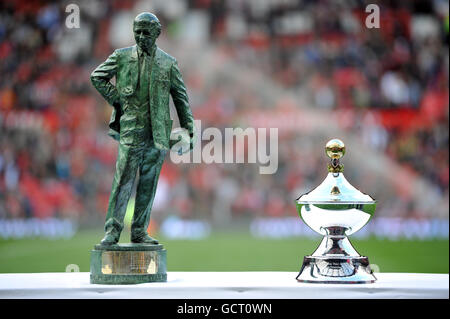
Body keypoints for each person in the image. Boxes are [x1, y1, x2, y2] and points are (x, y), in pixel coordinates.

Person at [91, 12, 195, 245]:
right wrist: (117, 99)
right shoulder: (121, 56)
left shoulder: (168, 63)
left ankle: (139, 231)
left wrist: (189, 130)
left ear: (157, 33)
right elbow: (97, 76)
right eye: (137, 31)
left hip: (157, 134)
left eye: (146, 32)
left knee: (148, 183)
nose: (140, 36)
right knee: (123, 181)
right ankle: (113, 231)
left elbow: (181, 99)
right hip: (130, 130)